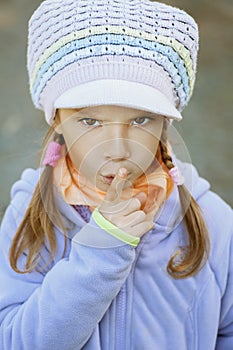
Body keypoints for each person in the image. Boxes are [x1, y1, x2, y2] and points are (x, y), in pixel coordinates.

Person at [0, 0, 232, 349]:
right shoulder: (28, 219)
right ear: (56, 119)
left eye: (141, 120)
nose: (117, 149)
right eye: (89, 121)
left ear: (166, 121)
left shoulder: (212, 220)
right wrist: (102, 248)